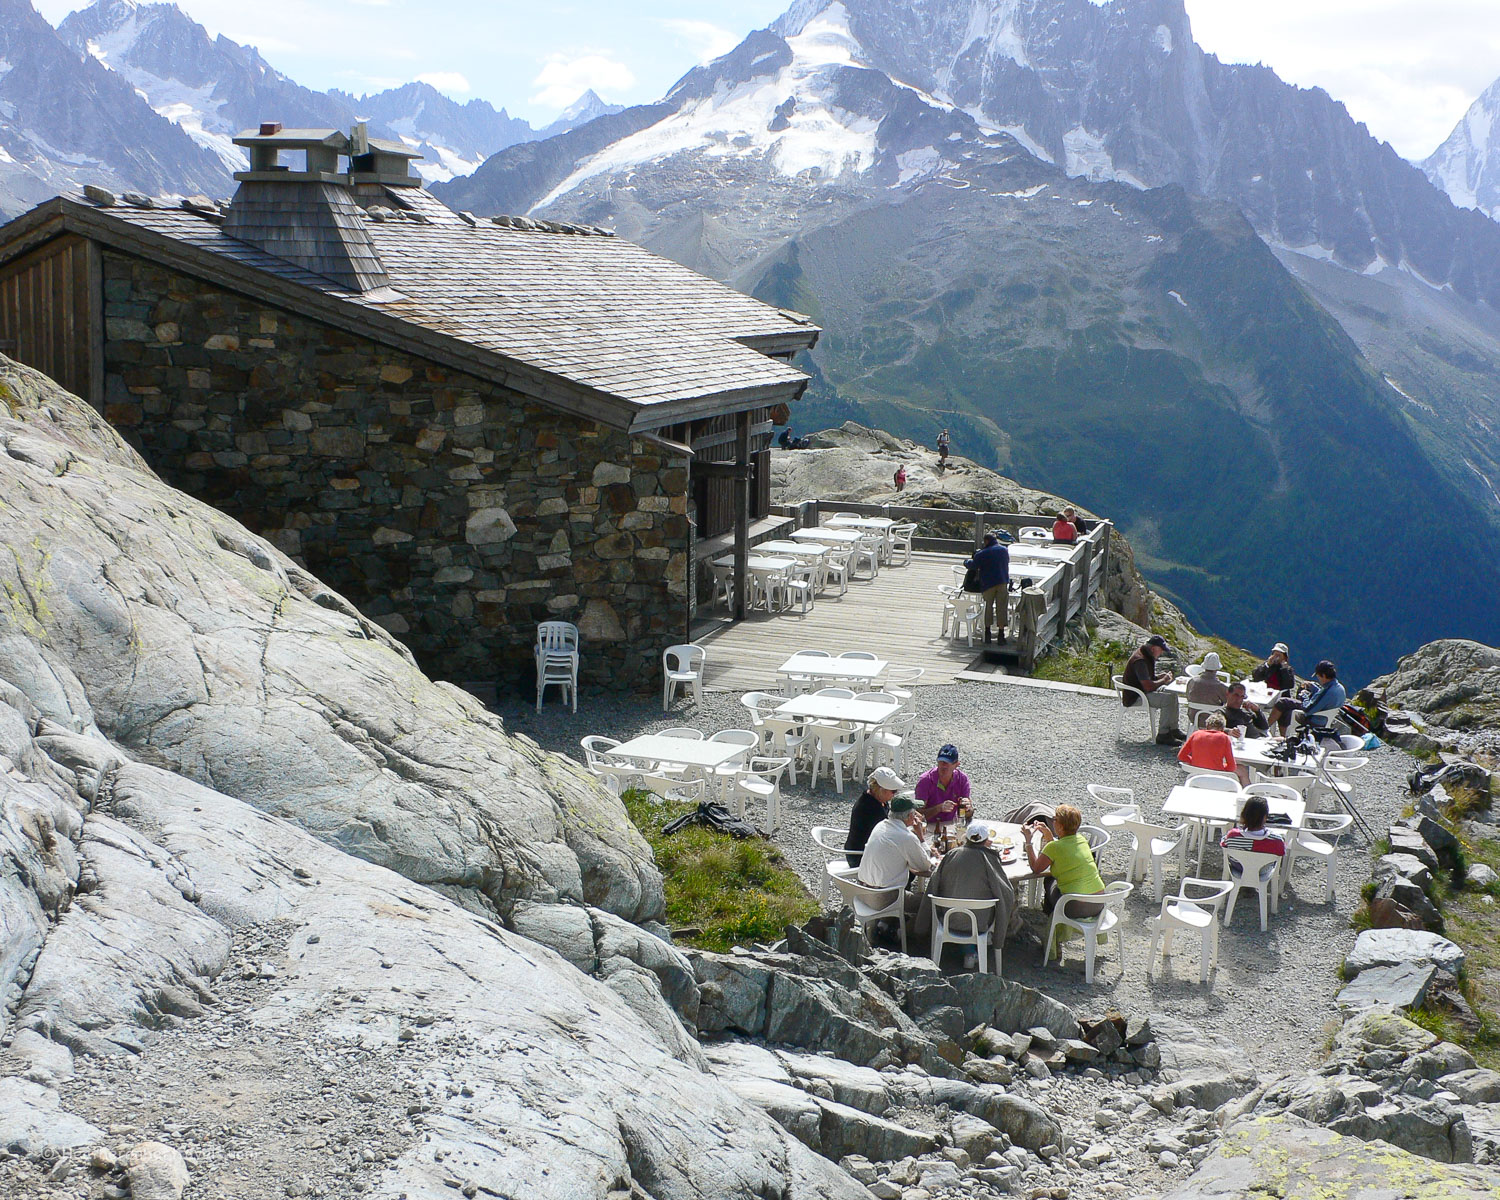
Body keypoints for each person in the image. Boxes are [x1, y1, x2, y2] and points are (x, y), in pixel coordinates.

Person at [911, 821, 1019, 968]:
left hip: (949, 920)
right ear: (986, 841)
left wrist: (921, 925)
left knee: (959, 899)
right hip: (979, 923)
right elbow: (1005, 892)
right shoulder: (989, 859)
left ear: (965, 838)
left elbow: (933, 885)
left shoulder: (951, 855)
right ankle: (985, 943)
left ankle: (968, 950)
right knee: (1003, 901)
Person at [1024, 803, 1106, 920]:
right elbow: (1062, 849)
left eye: (1055, 819)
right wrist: (1049, 835)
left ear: (1061, 827)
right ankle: (1051, 917)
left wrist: (1028, 842)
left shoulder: (1053, 847)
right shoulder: (1081, 840)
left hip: (1076, 908)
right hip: (1099, 903)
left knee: (1049, 879)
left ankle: (1051, 917)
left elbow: (1036, 868)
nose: (1053, 821)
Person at [857, 794, 932, 920]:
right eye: (914, 813)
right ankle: (917, 934)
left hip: (861, 892)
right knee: (930, 901)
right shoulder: (907, 837)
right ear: (909, 816)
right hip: (883, 898)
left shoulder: (880, 825)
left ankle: (889, 924)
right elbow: (925, 865)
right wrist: (921, 838)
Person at [1121, 634, 1184, 744]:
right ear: (1153, 648)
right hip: (1136, 696)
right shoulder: (1140, 660)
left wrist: (1158, 677)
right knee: (1167, 700)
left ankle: (1174, 729)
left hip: (1141, 691)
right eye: (1161, 650)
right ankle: (1163, 734)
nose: (1161, 653)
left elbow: (1146, 679)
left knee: (1172, 694)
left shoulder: (1145, 655)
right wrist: (1164, 680)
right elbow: (1148, 686)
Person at [845, 766, 905, 868]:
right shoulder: (871, 808)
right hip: (860, 857)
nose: (895, 795)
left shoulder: (877, 799)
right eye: (893, 791)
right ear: (881, 790)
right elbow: (888, 835)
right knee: (906, 864)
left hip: (866, 849)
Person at [1268, 660, 1346, 737]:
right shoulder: (1339, 688)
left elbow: (1307, 709)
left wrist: (1304, 695)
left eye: (1318, 676)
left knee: (1282, 703)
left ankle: (1266, 729)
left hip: (1314, 719)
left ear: (1324, 675)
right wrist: (1313, 687)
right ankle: (1283, 736)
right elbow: (1322, 697)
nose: (1318, 679)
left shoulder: (1327, 691)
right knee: (1288, 705)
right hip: (1325, 719)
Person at [1220, 795, 1285, 885]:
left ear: (1243, 814)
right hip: (1262, 872)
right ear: (1265, 817)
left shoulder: (1232, 836)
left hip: (1238, 869)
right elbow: (1281, 852)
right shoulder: (1277, 841)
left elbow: (1224, 844)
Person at [964, 532, 1010, 644]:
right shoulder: (1004, 550)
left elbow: (973, 565)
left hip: (988, 584)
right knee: (1001, 608)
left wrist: (966, 562)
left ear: (986, 541)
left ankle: (987, 633)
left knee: (988, 607)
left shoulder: (982, 553)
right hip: (1002, 582)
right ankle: (1001, 634)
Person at [915, 744, 971, 831]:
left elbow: (968, 814)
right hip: (929, 826)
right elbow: (918, 815)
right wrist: (939, 808)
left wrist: (968, 807)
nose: (943, 765)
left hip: (952, 825)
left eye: (947, 762)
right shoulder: (925, 780)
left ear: (956, 764)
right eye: (941, 761)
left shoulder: (962, 779)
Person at [1178, 713, 1241, 781]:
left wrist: (1193, 761)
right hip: (1217, 776)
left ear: (1207, 726)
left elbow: (1181, 756)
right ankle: (1248, 790)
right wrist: (1222, 767)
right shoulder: (1224, 738)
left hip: (1196, 775)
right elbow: (1231, 767)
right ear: (1222, 728)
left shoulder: (1196, 734)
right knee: (1242, 770)